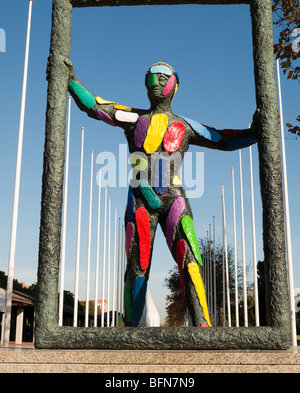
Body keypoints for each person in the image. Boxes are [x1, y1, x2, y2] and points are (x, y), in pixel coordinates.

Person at [65, 60, 257, 327]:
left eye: (163, 77)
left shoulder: (185, 126)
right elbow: (96, 106)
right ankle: (131, 328)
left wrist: (255, 132)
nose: (157, 82)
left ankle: (202, 325)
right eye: (152, 77)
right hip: (141, 200)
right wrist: (71, 82)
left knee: (190, 261)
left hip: (175, 199)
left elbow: (221, 139)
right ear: (145, 82)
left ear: (174, 84)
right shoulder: (134, 118)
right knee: (137, 265)